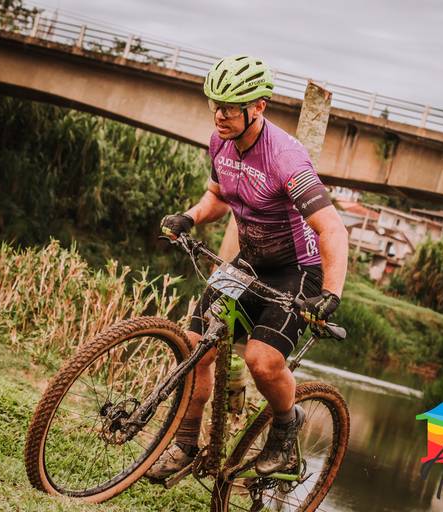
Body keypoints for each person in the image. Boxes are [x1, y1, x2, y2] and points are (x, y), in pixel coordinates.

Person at [146, 55, 348, 479]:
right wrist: (190, 217)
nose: (219, 115)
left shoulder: (286, 158)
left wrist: (330, 294)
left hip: (296, 271)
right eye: (215, 105)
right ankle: (185, 445)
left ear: (258, 107)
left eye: (230, 107)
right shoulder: (220, 141)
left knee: (262, 361)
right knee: (194, 346)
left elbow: (331, 228)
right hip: (249, 262)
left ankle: (286, 428)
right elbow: (219, 196)